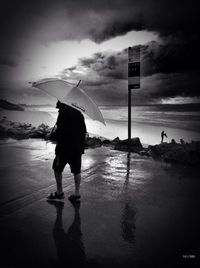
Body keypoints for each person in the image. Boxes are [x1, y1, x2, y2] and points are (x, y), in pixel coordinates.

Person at [48, 101, 86, 203]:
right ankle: (76, 194)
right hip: (77, 149)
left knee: (57, 169)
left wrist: (52, 135)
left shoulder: (63, 113)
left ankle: (59, 193)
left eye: (58, 103)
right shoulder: (79, 114)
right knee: (76, 171)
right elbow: (83, 131)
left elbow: (61, 132)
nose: (57, 105)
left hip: (63, 148)